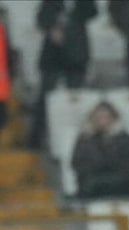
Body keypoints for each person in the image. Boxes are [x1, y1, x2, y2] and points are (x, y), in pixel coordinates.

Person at [29, 0, 98, 149]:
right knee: (45, 98)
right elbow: (42, 18)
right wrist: (51, 28)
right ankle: (36, 140)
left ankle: (79, 139)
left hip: (77, 54)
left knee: (77, 99)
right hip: (52, 56)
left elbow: (92, 12)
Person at [70, 100, 129, 200]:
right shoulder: (84, 139)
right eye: (98, 117)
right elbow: (77, 163)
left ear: (114, 118)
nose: (102, 121)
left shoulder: (125, 139)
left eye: (106, 117)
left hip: (119, 184)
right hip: (91, 184)